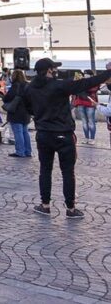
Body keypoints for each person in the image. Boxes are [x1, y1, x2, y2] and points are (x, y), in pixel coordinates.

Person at [24, 58, 110, 218]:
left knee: (45, 170)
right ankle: (70, 209)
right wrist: (108, 73)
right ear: (49, 70)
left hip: (43, 133)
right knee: (67, 172)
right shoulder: (59, 85)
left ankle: (45, 205)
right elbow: (87, 83)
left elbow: (28, 107)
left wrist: (40, 116)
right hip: (63, 133)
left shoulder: (30, 89)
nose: (55, 71)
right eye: (53, 69)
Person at [2, 69, 32, 158]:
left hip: (16, 112)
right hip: (26, 112)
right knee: (25, 132)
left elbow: (6, 98)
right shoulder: (27, 85)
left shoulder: (15, 86)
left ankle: (20, 151)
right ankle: (28, 151)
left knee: (18, 132)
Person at [71, 72, 98, 145]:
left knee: (91, 121)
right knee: (84, 122)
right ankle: (86, 138)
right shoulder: (81, 81)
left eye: (87, 73)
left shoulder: (94, 81)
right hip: (80, 103)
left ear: (91, 75)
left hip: (90, 104)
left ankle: (92, 139)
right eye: (84, 73)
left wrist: (84, 84)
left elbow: (93, 89)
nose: (85, 75)